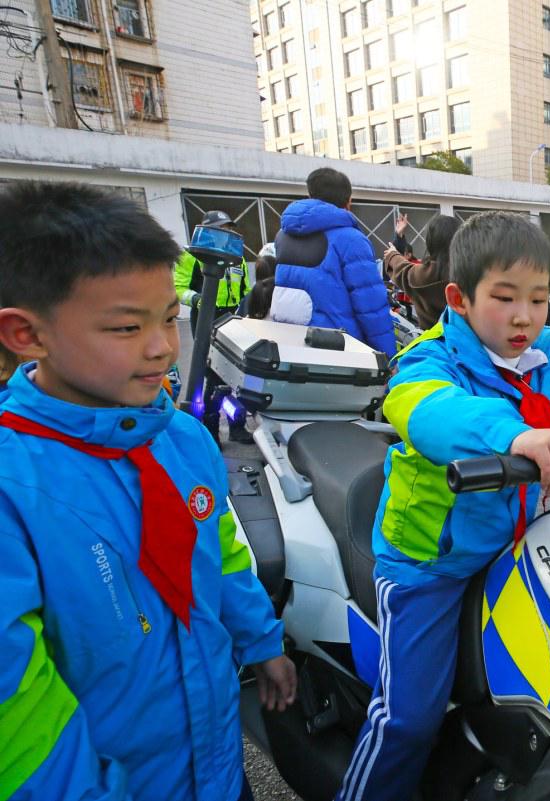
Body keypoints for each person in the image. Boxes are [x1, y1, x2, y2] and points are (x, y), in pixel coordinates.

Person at [0, 181, 296, 801]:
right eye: (127, 327)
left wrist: (262, 640)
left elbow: (221, 555)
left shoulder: (182, 438)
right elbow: (16, 711)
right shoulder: (14, 486)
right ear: (27, 335)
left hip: (214, 763)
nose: (163, 347)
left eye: (168, 317)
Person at [336, 211, 550, 801]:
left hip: (520, 546)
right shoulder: (429, 362)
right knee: (409, 718)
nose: (525, 316)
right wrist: (516, 435)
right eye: (504, 297)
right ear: (460, 298)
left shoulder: (548, 361)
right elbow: (429, 413)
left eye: (539, 298)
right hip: (434, 562)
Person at [270, 167, 396, 356]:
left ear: (310, 195)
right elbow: (371, 306)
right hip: (341, 352)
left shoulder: (283, 236)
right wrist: (388, 356)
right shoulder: (351, 240)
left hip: (291, 347)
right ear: (348, 202)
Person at [175, 209, 252, 443]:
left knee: (237, 375)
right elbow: (178, 287)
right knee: (213, 376)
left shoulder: (237, 257)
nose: (227, 232)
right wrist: (198, 299)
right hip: (205, 317)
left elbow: (246, 288)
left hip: (232, 318)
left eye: (229, 227)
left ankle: (237, 426)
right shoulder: (193, 256)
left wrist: (247, 311)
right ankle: (210, 430)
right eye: (222, 228)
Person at [382, 212, 462, 330]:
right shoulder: (469, 273)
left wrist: (393, 252)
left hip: (434, 345)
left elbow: (400, 267)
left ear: (430, 242)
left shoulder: (420, 276)